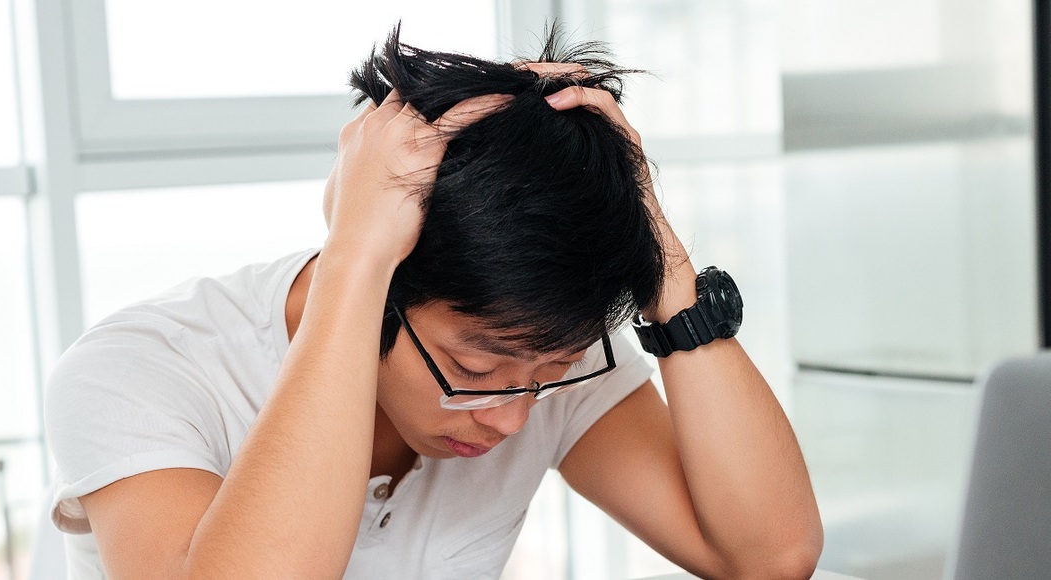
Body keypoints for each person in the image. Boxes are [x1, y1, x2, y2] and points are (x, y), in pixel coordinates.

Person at [44, 26, 824, 579]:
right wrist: (354, 259)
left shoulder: (537, 353)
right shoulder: (137, 371)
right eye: (472, 368)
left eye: (547, 371)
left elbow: (768, 556)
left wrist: (664, 261)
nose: (513, 416)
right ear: (384, 279)